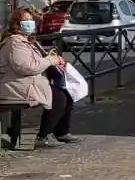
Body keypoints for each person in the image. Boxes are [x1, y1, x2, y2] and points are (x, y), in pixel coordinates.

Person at [0, 8, 80, 148]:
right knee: (58, 96)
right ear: (16, 24)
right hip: (14, 86)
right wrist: (50, 61)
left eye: (31, 20)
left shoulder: (26, 40)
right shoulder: (15, 42)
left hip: (24, 83)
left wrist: (51, 60)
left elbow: (34, 63)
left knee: (65, 92)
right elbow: (26, 67)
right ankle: (44, 136)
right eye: (25, 20)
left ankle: (61, 132)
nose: (30, 23)